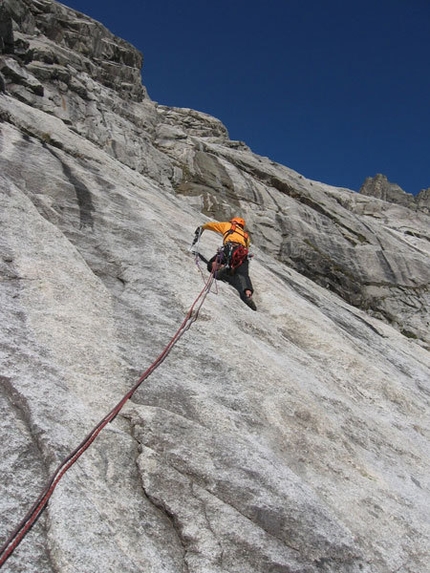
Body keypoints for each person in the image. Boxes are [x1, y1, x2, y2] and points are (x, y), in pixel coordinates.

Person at [193, 217, 257, 311]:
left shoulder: (228, 225)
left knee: (211, 264)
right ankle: (247, 294)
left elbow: (212, 225)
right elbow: (246, 247)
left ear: (233, 222)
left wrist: (202, 227)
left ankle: (221, 268)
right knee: (243, 275)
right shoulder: (245, 235)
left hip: (229, 249)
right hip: (242, 254)